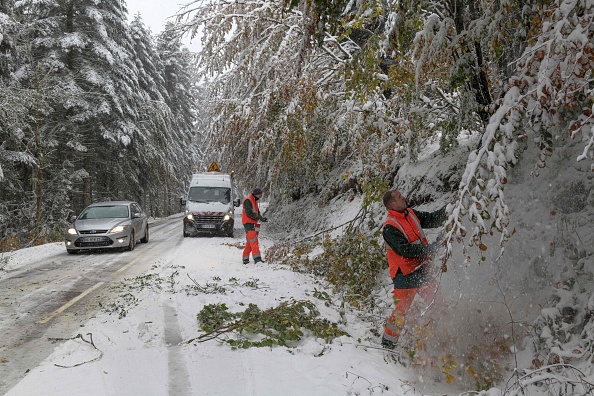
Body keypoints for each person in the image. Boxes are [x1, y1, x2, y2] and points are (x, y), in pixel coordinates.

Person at [381, 189, 447, 349]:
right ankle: (388, 344)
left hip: (420, 269)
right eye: (398, 197)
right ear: (391, 204)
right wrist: (430, 248)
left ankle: (446, 332)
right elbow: (406, 250)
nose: (403, 197)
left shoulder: (410, 213)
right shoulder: (389, 227)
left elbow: (432, 219)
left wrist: (451, 208)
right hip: (404, 275)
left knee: (438, 299)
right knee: (401, 311)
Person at [242, 188, 268, 264]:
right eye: (260, 194)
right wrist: (257, 218)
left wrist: (261, 218)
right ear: (256, 194)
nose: (261, 196)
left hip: (253, 223)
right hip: (248, 223)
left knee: (250, 241)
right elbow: (249, 213)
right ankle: (257, 259)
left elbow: (257, 212)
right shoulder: (248, 200)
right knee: (254, 241)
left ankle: (245, 258)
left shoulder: (254, 201)